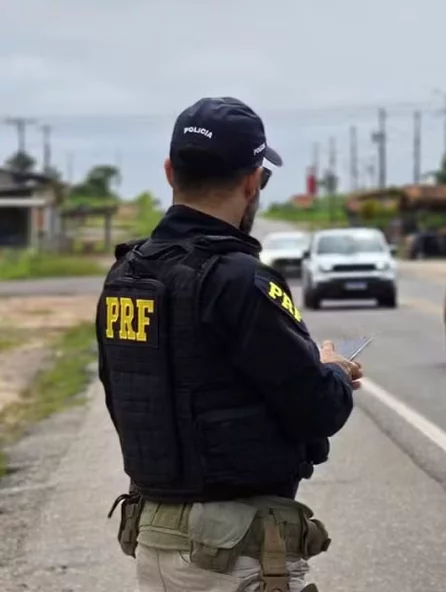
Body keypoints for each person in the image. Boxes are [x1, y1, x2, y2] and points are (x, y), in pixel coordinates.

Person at [97, 96, 361, 592]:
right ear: (252, 180)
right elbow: (317, 409)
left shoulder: (126, 275)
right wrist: (333, 371)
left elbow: (128, 395)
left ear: (170, 171)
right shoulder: (239, 280)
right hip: (235, 557)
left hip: (155, 542)